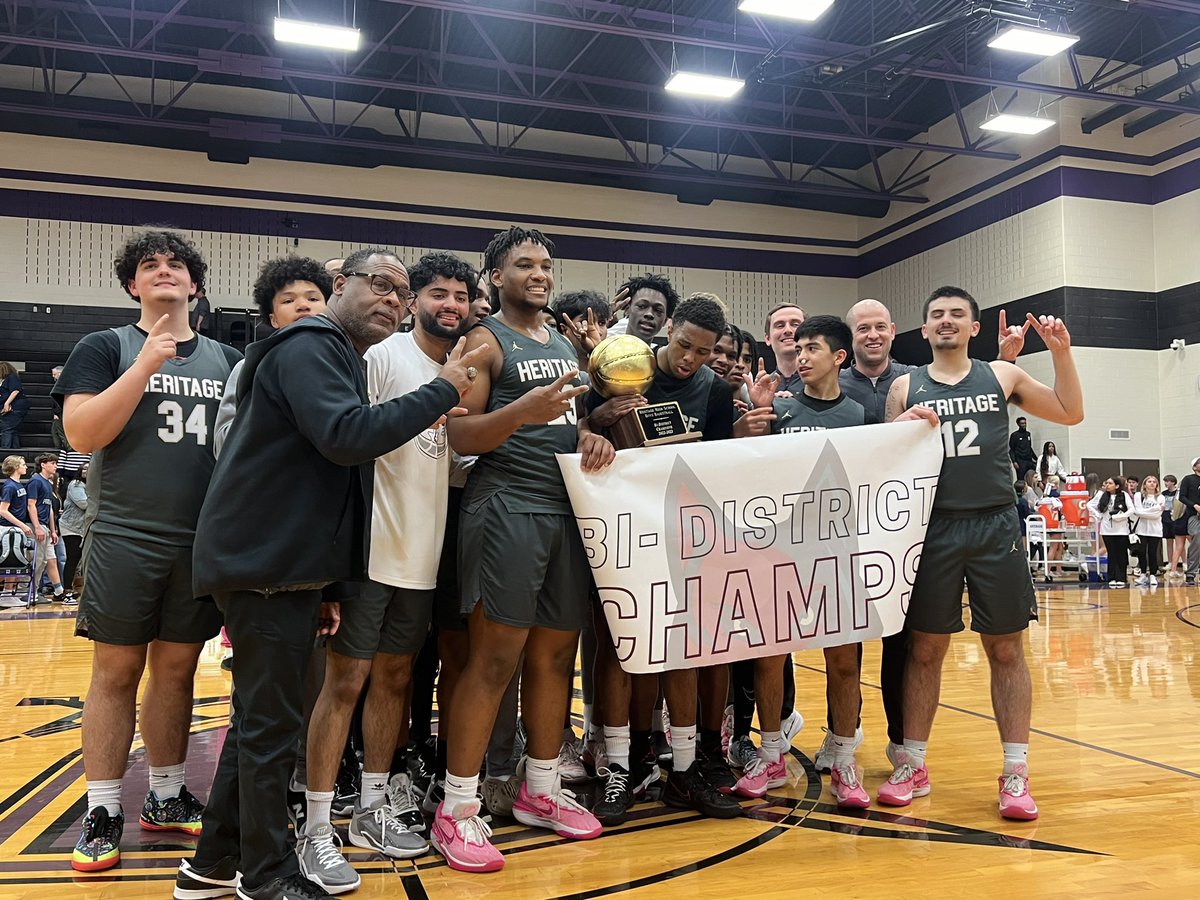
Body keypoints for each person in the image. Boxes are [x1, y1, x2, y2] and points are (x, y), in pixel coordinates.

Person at [176, 246, 484, 900]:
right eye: (380, 285)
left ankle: (209, 867)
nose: (392, 302)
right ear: (338, 284)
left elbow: (337, 481)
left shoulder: (330, 353)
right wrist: (443, 389)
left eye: (401, 296)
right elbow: (346, 437)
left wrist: (331, 584)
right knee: (268, 728)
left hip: (285, 565)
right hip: (263, 561)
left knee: (260, 722)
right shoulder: (312, 344)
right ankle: (267, 876)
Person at [53, 228, 242, 873]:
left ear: (195, 283)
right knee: (115, 671)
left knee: (178, 671)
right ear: (132, 284)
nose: (164, 271)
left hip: (199, 539)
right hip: (126, 534)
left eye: (176, 264)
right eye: (148, 265)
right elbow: (82, 432)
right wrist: (147, 363)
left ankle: (165, 794)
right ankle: (103, 805)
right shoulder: (104, 346)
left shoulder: (226, 359)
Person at [298, 252, 480, 890]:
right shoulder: (382, 358)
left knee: (397, 679)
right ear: (413, 303)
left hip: (423, 553)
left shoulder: (461, 373)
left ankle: (371, 808)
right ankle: (318, 825)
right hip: (371, 550)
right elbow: (347, 449)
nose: (449, 304)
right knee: (344, 683)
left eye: (460, 295)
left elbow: (451, 465)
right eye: (438, 293)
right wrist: (332, 568)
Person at [436, 226, 613, 873]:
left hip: (562, 508)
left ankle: (542, 791)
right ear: (496, 278)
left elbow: (566, 422)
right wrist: (521, 414)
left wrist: (592, 436)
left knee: (555, 655)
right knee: (495, 660)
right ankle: (456, 810)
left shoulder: (564, 342)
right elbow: (460, 434)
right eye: (524, 265)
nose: (539, 274)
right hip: (505, 506)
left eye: (545, 265)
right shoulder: (482, 343)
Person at [879, 286, 1083, 821]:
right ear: (922, 331)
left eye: (957, 315)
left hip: (995, 525)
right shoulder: (904, 386)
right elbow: (880, 464)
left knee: (1007, 651)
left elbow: (1070, 412)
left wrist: (1061, 352)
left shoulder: (1002, 376)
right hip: (933, 529)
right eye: (936, 316)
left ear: (973, 327)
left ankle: (1016, 773)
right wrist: (893, 432)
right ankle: (913, 764)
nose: (946, 321)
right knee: (924, 651)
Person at [738, 315, 937, 807]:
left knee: (844, 662)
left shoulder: (858, 418)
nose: (801, 356)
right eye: (798, 348)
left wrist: (908, 428)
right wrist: (755, 422)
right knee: (769, 658)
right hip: (779, 551)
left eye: (812, 349)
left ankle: (845, 759)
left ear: (838, 358)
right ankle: (772, 754)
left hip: (838, 555)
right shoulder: (779, 409)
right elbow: (746, 471)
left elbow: (883, 466)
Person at [585, 295, 742, 825]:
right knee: (618, 651)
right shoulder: (623, 363)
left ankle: (682, 765)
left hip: (684, 534)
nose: (689, 359)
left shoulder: (716, 390)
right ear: (667, 330)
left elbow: (722, 464)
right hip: (621, 531)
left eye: (703, 351)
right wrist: (596, 418)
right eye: (683, 345)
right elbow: (579, 427)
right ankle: (619, 767)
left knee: (685, 651)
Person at [214, 256, 333, 455]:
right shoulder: (248, 367)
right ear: (273, 319)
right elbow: (222, 445)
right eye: (288, 300)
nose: (303, 305)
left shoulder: (343, 365)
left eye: (313, 298)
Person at [26, 453, 65, 601]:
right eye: (52, 463)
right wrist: (37, 527)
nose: (55, 466)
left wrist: (53, 530)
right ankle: (32, 593)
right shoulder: (35, 481)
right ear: (43, 465)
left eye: (56, 463)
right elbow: (31, 505)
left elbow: (49, 509)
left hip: (46, 527)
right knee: (39, 560)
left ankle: (58, 592)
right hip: (37, 525)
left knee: (51, 559)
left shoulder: (48, 483)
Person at [1088, 477, 1135, 588]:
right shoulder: (1102, 495)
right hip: (1106, 529)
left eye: (1110, 483)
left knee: (1121, 554)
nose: (1107, 485)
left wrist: (1121, 516)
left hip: (1122, 529)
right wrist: (1098, 515)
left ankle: (1121, 577)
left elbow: (1131, 509)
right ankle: (1112, 577)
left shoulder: (1124, 495)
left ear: (1117, 486)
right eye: (1106, 483)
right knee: (1111, 553)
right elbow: (1089, 505)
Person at [0, 455, 34, 605]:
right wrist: (22, 525)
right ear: (15, 467)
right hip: (8, 528)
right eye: (23, 464)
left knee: (16, 560)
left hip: (15, 527)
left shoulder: (19, 485)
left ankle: (9, 593)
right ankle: (6, 594)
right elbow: (3, 510)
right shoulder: (9, 486)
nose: (26, 466)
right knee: (10, 560)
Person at [608, 274, 677, 344]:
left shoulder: (664, 354)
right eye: (642, 306)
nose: (649, 314)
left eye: (658, 310)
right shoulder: (603, 345)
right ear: (627, 309)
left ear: (665, 321)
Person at [59, 462, 88, 603]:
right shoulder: (76, 485)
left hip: (81, 528)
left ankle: (71, 589)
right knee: (72, 558)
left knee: (77, 560)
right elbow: (84, 504)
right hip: (71, 527)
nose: (87, 471)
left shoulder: (90, 486)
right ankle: (67, 592)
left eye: (90, 468)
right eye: (84, 468)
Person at [1133, 476, 1165, 587]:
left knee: (1152, 552)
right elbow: (1137, 512)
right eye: (1149, 481)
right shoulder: (1138, 496)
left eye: (1154, 482)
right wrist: (1154, 509)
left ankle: (1152, 575)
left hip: (1155, 530)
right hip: (1141, 529)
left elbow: (1157, 515)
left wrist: (1144, 512)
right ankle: (1142, 574)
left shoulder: (1160, 497)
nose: (1152, 483)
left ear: (1157, 485)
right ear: (1144, 484)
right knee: (1141, 552)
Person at [1178, 457, 1200, 586]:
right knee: (1196, 539)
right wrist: (1194, 506)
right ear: (1194, 466)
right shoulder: (1188, 479)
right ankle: (1191, 573)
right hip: (1194, 515)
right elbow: (1182, 497)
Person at [0, 362, 31, 449]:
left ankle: (6, 450)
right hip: (15, 407)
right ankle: (14, 449)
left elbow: (15, 390)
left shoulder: (12, 377)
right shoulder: (10, 378)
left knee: (7, 429)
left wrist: (7, 403)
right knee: (12, 430)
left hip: (15, 407)